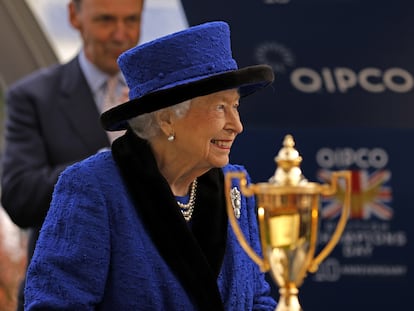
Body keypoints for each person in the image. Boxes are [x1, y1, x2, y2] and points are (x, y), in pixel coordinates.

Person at [24, 21, 276, 310]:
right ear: (167, 119)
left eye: (235, 106)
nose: (237, 126)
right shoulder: (94, 188)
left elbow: (258, 299)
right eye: (220, 107)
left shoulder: (236, 185)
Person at [0, 0, 144, 310]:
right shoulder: (33, 97)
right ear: (73, 16)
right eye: (106, 20)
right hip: (65, 293)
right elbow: (19, 197)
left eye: (131, 20)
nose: (121, 35)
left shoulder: (162, 97)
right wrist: (112, 158)